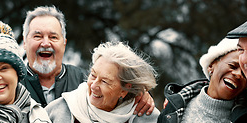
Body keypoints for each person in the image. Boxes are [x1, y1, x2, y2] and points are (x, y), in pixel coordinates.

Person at [22, 5, 154, 116]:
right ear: (24, 43)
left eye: (53, 37)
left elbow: (116, 98)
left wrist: (140, 95)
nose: (45, 43)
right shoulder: (12, 84)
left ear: (64, 43)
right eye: (37, 36)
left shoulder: (86, 81)